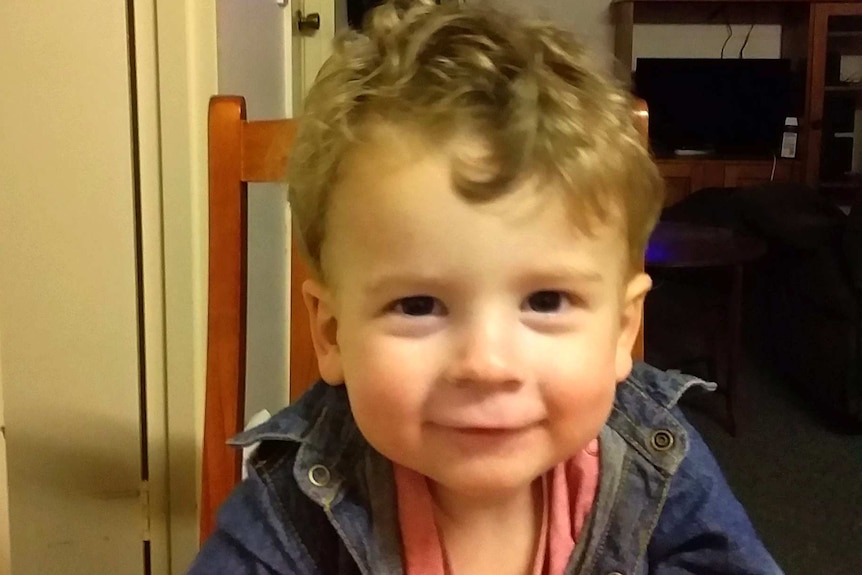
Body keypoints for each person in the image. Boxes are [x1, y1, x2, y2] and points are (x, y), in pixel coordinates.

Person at [190, 1, 783, 573]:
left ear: (622, 330)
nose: (486, 365)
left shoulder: (658, 459)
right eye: (418, 305)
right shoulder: (294, 503)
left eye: (546, 300)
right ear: (331, 333)